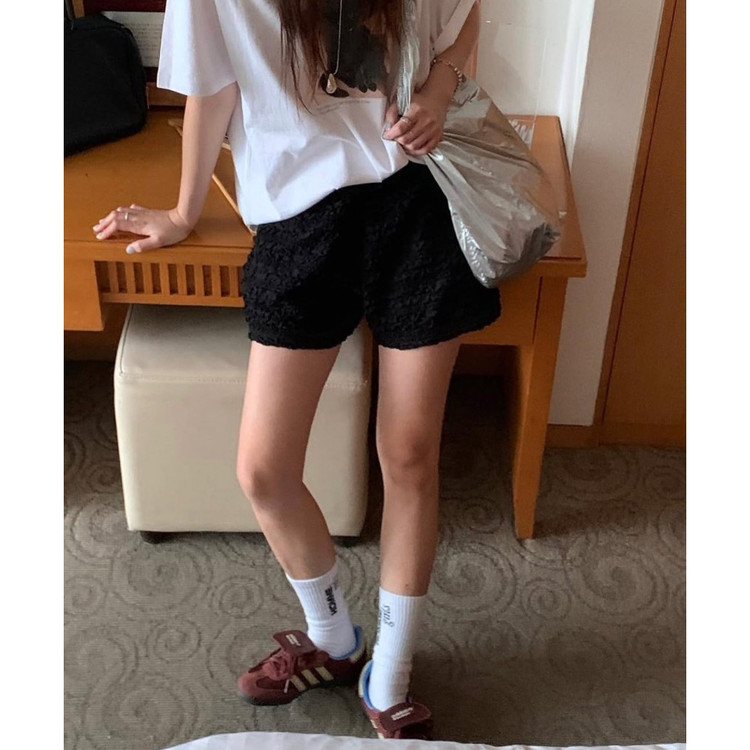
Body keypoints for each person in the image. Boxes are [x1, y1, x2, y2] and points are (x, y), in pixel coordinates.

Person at [93, 0, 500, 740]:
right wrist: (184, 211)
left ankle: (393, 672)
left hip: (419, 199)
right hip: (299, 215)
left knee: (410, 455)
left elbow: (464, 13)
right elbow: (212, 84)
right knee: (264, 471)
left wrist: (439, 92)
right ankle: (334, 640)